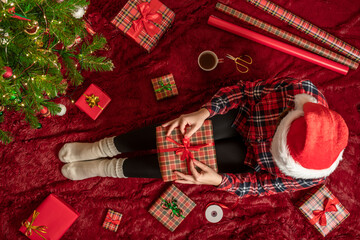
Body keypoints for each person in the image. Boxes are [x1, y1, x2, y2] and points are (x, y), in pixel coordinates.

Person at [58, 77, 349, 198]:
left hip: (249, 160)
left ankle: (105, 168)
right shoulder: (299, 91)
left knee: (184, 166)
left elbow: (260, 186)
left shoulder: (311, 175)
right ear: (294, 113)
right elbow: (246, 91)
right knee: (175, 132)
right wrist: (205, 111)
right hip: (241, 119)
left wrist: (219, 181)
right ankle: (102, 147)